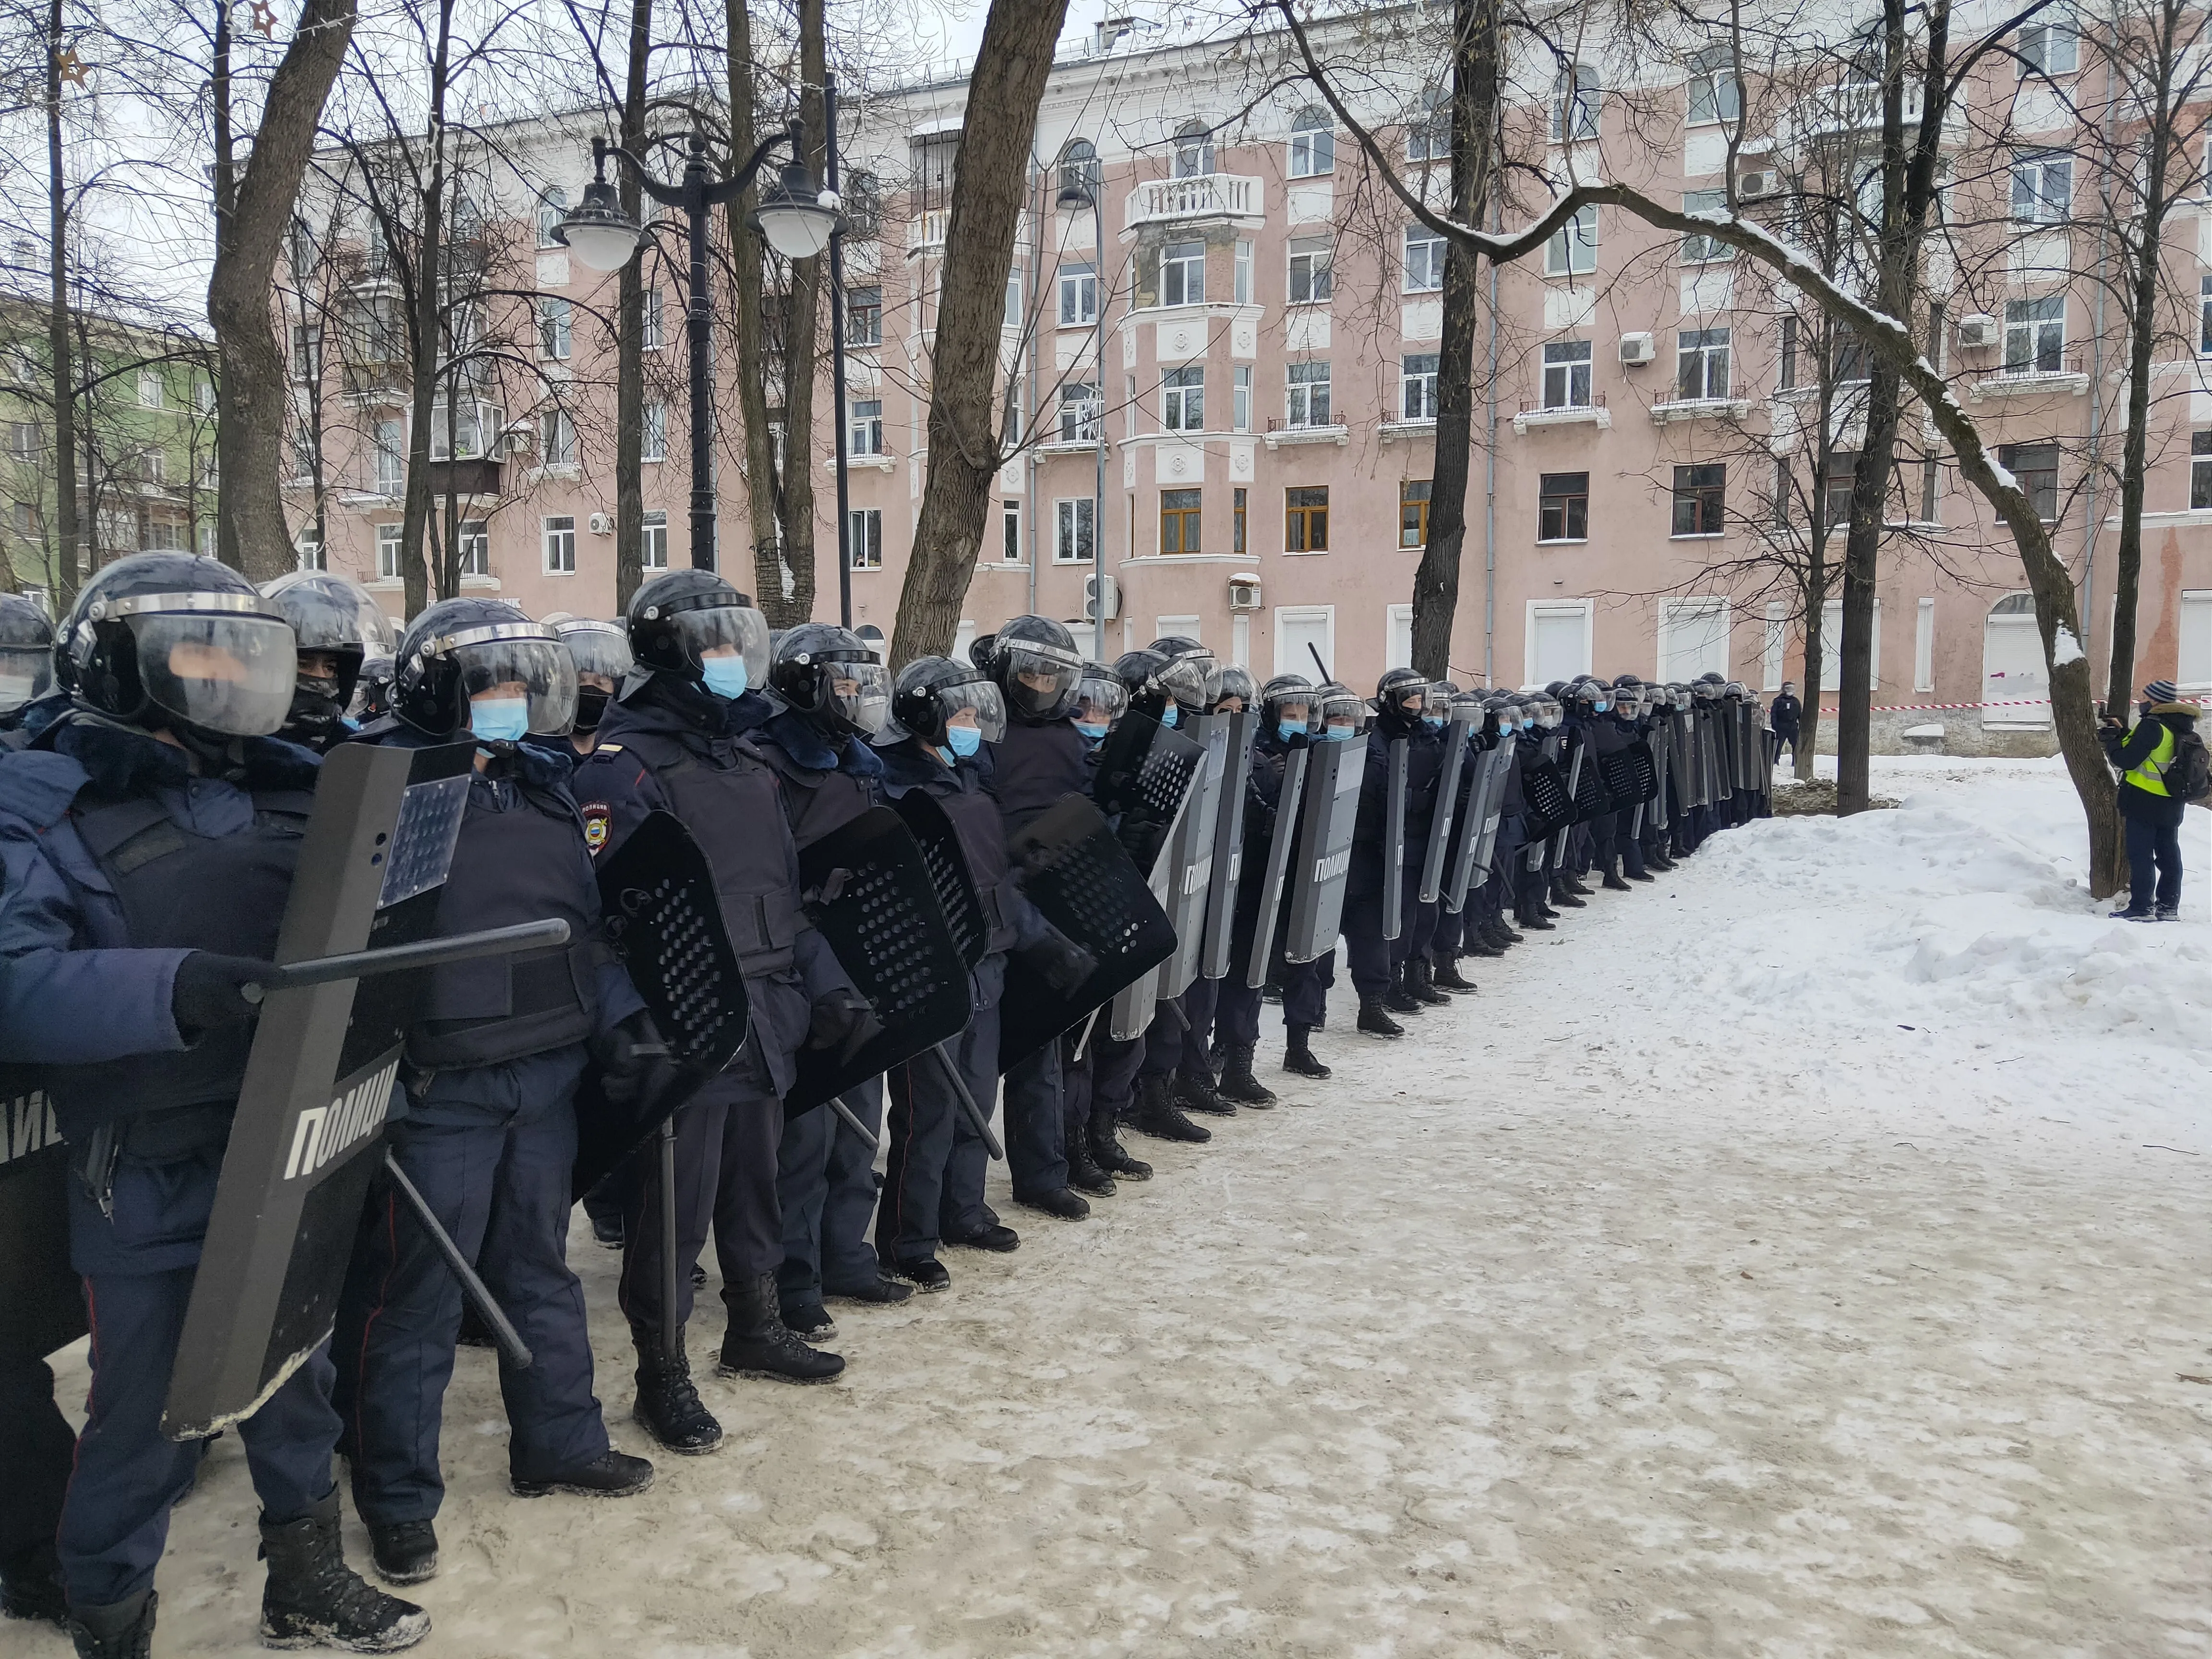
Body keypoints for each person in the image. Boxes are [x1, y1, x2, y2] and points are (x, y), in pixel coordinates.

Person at [0, 553, 428, 1657]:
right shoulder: (40, 800)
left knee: (295, 1371)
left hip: (289, 1133)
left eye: (242, 655)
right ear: (118, 662)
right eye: (199, 654)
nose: (227, 678)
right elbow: (14, 980)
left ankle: (305, 1577)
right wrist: (174, 985)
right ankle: (111, 1617)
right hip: (145, 1153)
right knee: (144, 1414)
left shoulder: (299, 785)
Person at [333, 600, 655, 1588]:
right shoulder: (386, 785)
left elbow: (582, 930)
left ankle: (560, 1441)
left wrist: (620, 1018)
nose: (511, 702)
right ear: (441, 690)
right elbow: (352, 947)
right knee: (418, 1299)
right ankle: (397, 1499)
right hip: (442, 1087)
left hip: (544, 1073)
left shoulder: (542, 787)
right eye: (492, 687)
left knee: (538, 1271)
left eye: (522, 685)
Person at [576, 571, 856, 1450]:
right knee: (673, 1208)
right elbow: (600, 919)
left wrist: (825, 984)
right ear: (670, 652)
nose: (734, 658)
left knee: (754, 1185)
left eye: (740, 642)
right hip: (687, 1019)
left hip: (766, 1010)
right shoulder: (625, 767)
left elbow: (786, 895)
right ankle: (661, 1373)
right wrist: (630, 1020)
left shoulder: (750, 762)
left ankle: (755, 1325)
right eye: (717, 644)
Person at [871, 656, 1082, 1286]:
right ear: (926, 716)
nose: (970, 727)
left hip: (988, 964)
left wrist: (1043, 943)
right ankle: (908, 1238)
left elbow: (997, 883)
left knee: (975, 1102)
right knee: (927, 1113)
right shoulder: (895, 788)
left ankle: (963, 1209)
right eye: (959, 715)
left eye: (974, 715)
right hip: (933, 972)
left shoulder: (971, 784)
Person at [749, 624, 912, 1331]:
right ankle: (795, 1280)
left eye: (859, 685)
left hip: (861, 959)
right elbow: (774, 885)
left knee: (860, 1131)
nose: (853, 697)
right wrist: (818, 979)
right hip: (802, 972)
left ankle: (848, 1255)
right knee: (804, 1143)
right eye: (840, 684)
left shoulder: (859, 764)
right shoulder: (768, 763)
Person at [981, 617, 1118, 1205]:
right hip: (993, 903)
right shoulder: (984, 729)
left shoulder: (1069, 738)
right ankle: (957, 1199)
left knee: (1049, 1050)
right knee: (980, 1062)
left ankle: (1047, 1172)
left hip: (1057, 900)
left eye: (1052, 677)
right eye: (1032, 674)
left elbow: (1086, 809)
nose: (1040, 686)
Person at [259, 570, 396, 754]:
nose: (321, 677)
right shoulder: (241, 751)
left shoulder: (354, 751)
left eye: (330, 668)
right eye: (304, 665)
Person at [2101, 679, 2199, 921]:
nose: (2143, 702)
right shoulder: (2182, 725)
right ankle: (2168, 907)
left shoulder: (2152, 725)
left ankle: (2142, 907)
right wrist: (2124, 733)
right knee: (2169, 855)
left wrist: (2112, 742)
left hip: (2144, 800)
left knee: (2141, 855)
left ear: (2156, 700)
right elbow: (2153, 752)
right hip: (2172, 802)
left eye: (2146, 697)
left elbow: (2127, 761)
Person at [1769, 680, 1803, 770]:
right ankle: (1775, 762)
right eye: (1788, 688)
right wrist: (1775, 725)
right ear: (1784, 690)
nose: (1790, 690)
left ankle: (1795, 762)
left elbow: (1800, 714)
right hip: (1781, 727)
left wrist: (1801, 726)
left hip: (1793, 728)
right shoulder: (1778, 701)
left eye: (1792, 688)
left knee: (1796, 745)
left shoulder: (1796, 701)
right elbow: (1774, 714)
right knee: (1778, 746)